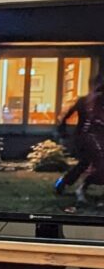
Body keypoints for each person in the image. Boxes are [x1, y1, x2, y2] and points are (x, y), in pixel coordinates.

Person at [55, 73, 104, 203]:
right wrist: (62, 129)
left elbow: (66, 115)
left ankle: (64, 182)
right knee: (92, 161)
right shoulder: (87, 101)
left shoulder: (87, 100)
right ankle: (77, 186)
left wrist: (62, 129)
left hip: (87, 137)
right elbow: (67, 115)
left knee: (84, 163)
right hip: (85, 137)